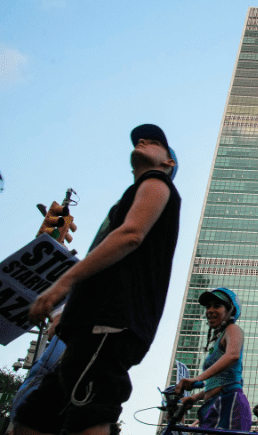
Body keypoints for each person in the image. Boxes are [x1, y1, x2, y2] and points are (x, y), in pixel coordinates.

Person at [17, 124, 180, 435]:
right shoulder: (128, 199)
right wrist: (70, 309)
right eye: (139, 139)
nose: (143, 141)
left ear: (168, 162)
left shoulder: (157, 182)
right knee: (32, 419)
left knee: (89, 417)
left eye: (154, 141)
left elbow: (131, 236)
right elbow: (108, 262)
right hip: (91, 321)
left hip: (111, 322)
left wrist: (61, 285)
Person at [175, 288, 252, 431]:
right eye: (208, 306)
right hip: (214, 404)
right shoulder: (218, 340)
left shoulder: (233, 329)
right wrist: (195, 397)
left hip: (229, 402)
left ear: (230, 311)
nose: (210, 310)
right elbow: (216, 382)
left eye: (217, 306)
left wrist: (196, 379)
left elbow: (233, 355)